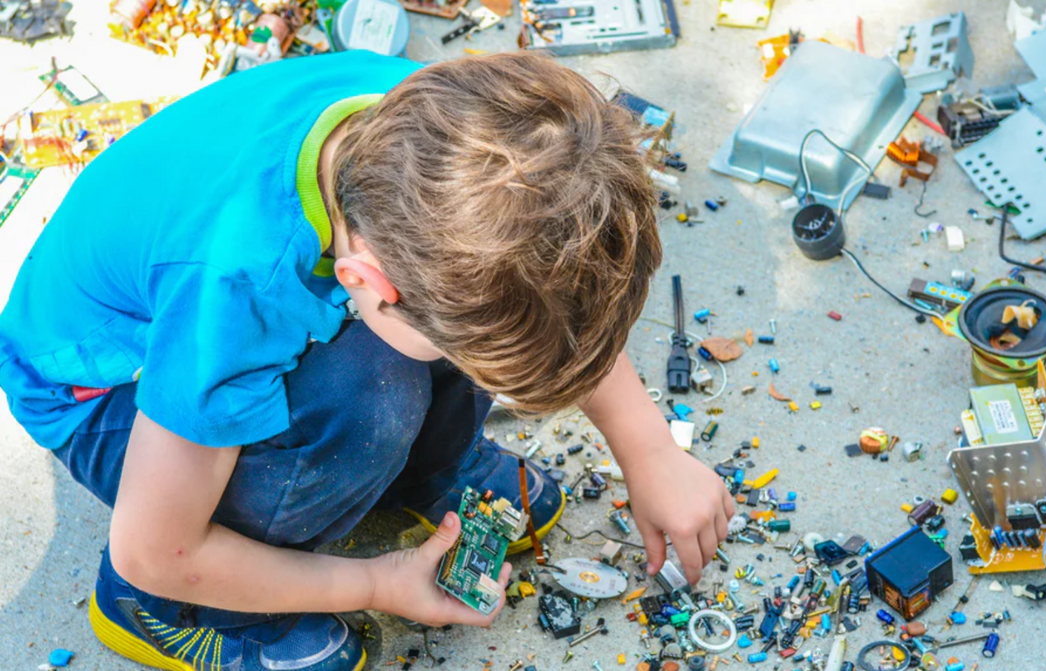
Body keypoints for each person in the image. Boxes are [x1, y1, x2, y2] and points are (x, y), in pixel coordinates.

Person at [0, 51, 734, 671]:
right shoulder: (236, 289)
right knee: (370, 398)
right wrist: (376, 584)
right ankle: (171, 611)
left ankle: (422, 473)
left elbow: (544, 285)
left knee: (445, 336)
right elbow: (152, 546)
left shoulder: (457, 136)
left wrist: (647, 449)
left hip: (231, 313)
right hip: (104, 394)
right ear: (364, 286)